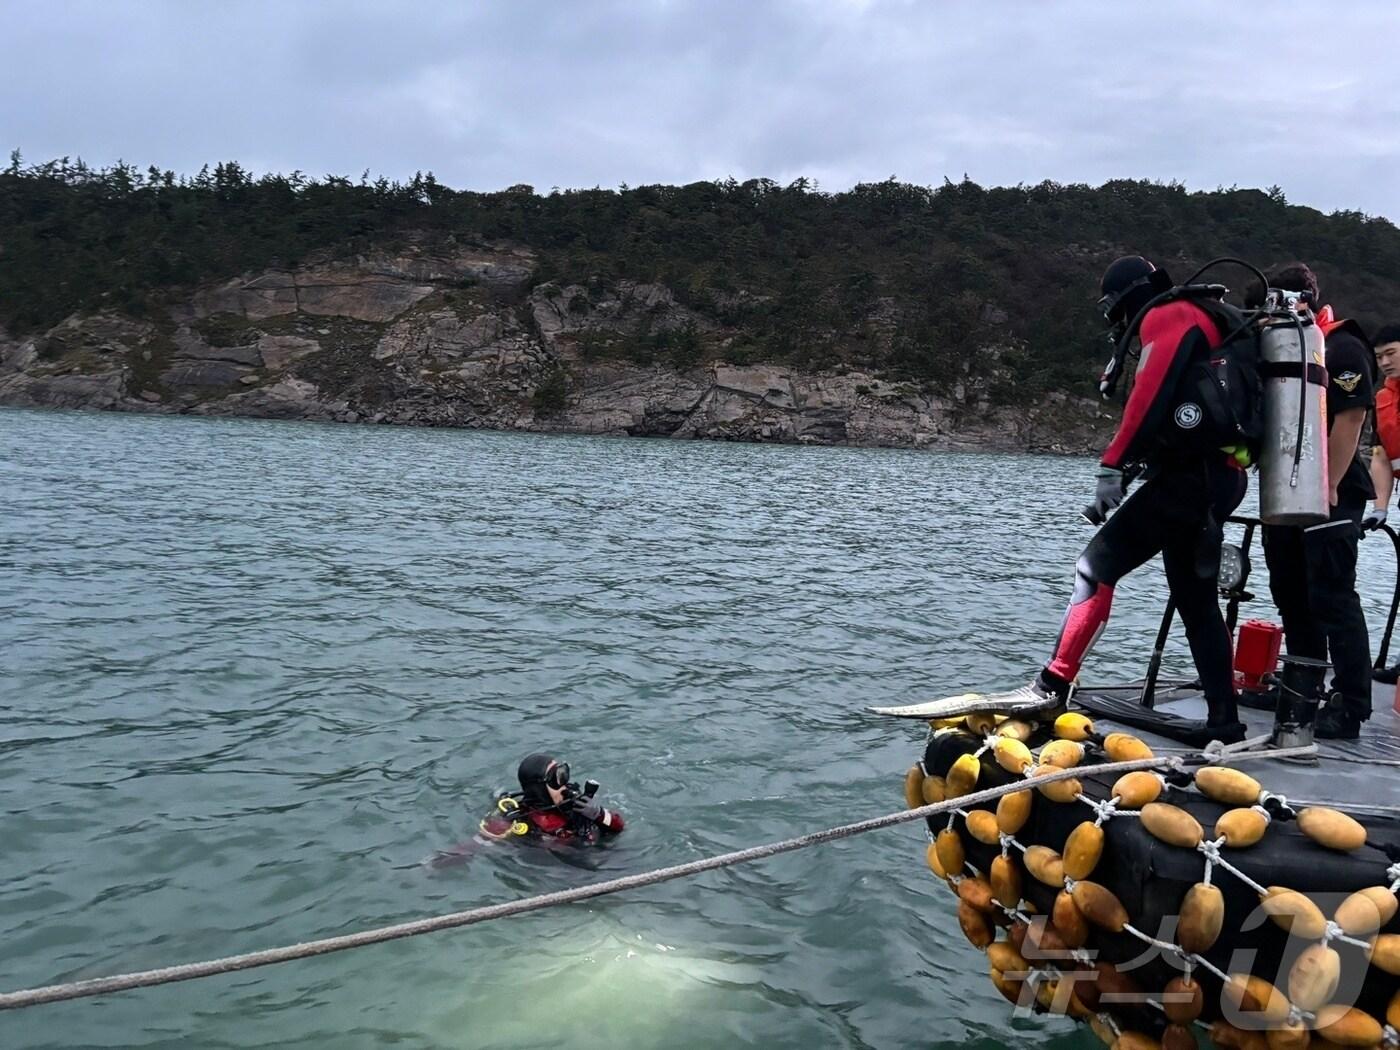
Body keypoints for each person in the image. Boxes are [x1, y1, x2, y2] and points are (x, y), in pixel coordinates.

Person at [990, 255, 1248, 742]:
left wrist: (1112, 465)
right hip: (1219, 477)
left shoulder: (1167, 315)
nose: (1122, 325)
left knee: (1095, 566)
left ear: (1123, 301)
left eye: (1116, 313)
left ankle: (1052, 684)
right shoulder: (1206, 316)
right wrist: (1130, 474)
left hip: (1190, 480)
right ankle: (1224, 719)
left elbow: (1149, 396)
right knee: (1196, 601)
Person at [1259, 264, 1376, 738]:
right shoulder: (1281, 347)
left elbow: (1351, 418)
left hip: (1335, 489)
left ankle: (1351, 705)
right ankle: (1302, 686)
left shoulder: (1341, 345)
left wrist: (1328, 485)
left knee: (1332, 595)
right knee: (1290, 592)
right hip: (1287, 485)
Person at [477, 753, 625, 844]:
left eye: (563, 774)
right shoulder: (520, 820)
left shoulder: (576, 803)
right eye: (557, 779)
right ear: (539, 789)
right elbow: (471, 847)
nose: (564, 784)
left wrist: (599, 814)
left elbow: (619, 826)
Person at [1366, 324, 1400, 684]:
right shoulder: (1383, 399)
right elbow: (1380, 455)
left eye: (1391, 353)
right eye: (1379, 357)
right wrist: (1381, 506)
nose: (1385, 361)